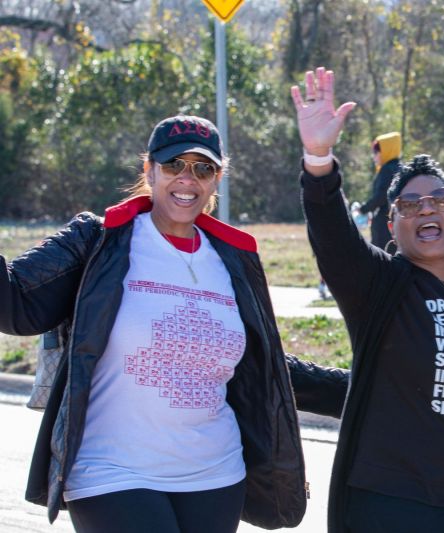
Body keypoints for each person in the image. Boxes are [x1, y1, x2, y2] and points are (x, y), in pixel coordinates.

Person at [0, 114, 349, 533]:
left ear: (217, 179)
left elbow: (263, 362)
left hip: (215, 475)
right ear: (149, 170)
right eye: (173, 165)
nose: (188, 179)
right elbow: (15, 305)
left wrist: (364, 390)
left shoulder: (233, 259)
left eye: (203, 168)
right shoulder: (99, 241)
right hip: (111, 471)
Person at [291, 68, 444, 533]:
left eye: (441, 200)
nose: (427, 209)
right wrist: (319, 159)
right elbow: (335, 240)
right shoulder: (381, 282)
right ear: (392, 227)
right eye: (410, 205)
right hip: (396, 500)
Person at [359, 131, 402, 250]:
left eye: (376, 152)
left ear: (385, 151)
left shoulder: (387, 169)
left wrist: (364, 208)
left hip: (384, 224)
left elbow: (381, 197)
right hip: (399, 222)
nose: (374, 156)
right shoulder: (401, 168)